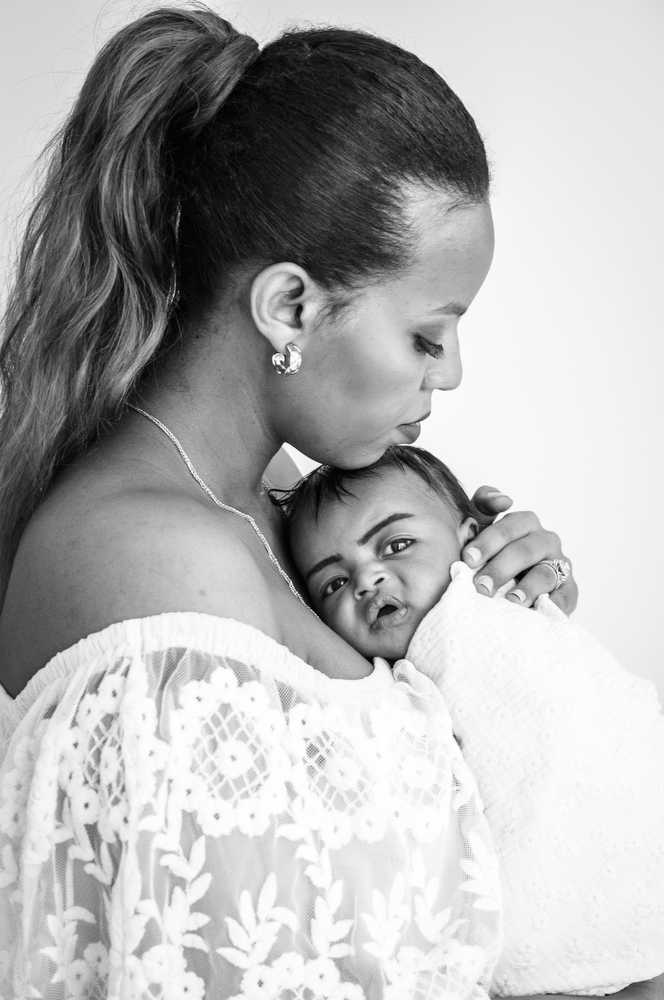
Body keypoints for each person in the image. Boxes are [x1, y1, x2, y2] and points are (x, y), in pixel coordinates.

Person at [0, 6, 659, 998]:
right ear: (291, 308)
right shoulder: (152, 566)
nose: (453, 375)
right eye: (429, 336)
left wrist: (505, 650)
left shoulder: (285, 519)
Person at [283, 444, 664, 994]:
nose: (368, 580)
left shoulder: (491, 601)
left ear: (471, 538)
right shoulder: (387, 684)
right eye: (335, 584)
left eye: (397, 544)